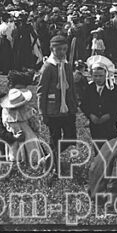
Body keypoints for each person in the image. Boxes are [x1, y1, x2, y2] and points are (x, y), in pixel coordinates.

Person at [37, 34, 78, 171]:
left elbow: (71, 87)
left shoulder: (67, 65)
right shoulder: (48, 67)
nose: (61, 52)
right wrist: (42, 112)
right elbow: (41, 91)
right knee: (54, 139)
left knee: (71, 137)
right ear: (52, 49)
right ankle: (53, 167)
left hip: (67, 109)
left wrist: (74, 106)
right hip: (53, 110)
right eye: (58, 49)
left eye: (64, 49)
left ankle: (48, 158)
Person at [80, 55, 117, 149]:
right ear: (91, 75)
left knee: (110, 147)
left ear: (106, 75)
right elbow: (84, 104)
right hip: (95, 124)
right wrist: (91, 115)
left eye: (101, 76)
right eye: (95, 76)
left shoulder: (113, 89)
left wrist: (108, 115)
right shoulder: (89, 88)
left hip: (110, 124)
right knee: (98, 146)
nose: (98, 79)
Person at [0, 87, 48, 167]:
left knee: (14, 150)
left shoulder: (5, 112)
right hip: (28, 134)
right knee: (31, 149)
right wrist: (37, 131)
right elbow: (34, 123)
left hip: (14, 134)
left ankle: (16, 162)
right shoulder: (27, 110)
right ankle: (33, 163)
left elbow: (5, 124)